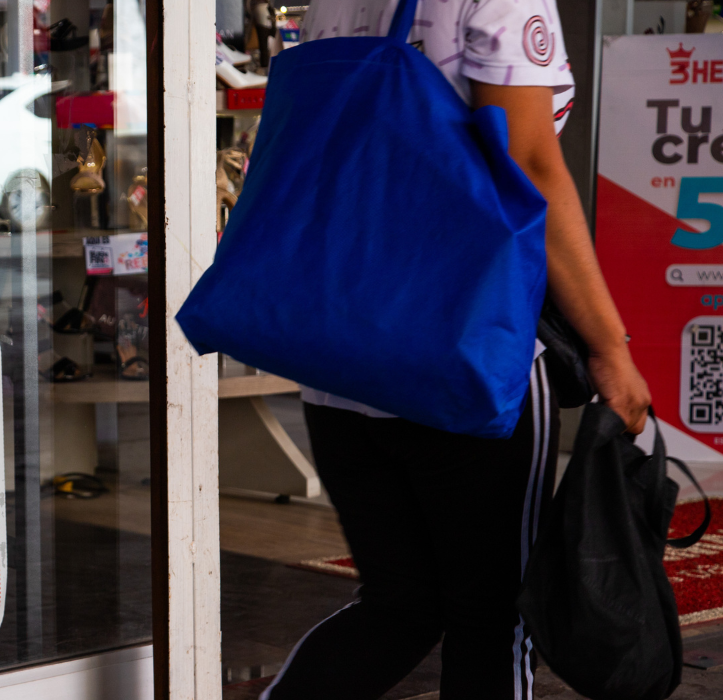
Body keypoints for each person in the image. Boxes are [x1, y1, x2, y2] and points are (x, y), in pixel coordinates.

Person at [262, 1, 652, 699]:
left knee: (399, 604)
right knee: (493, 615)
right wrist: (609, 347)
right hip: (467, 356)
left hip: (341, 354)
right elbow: (529, 166)